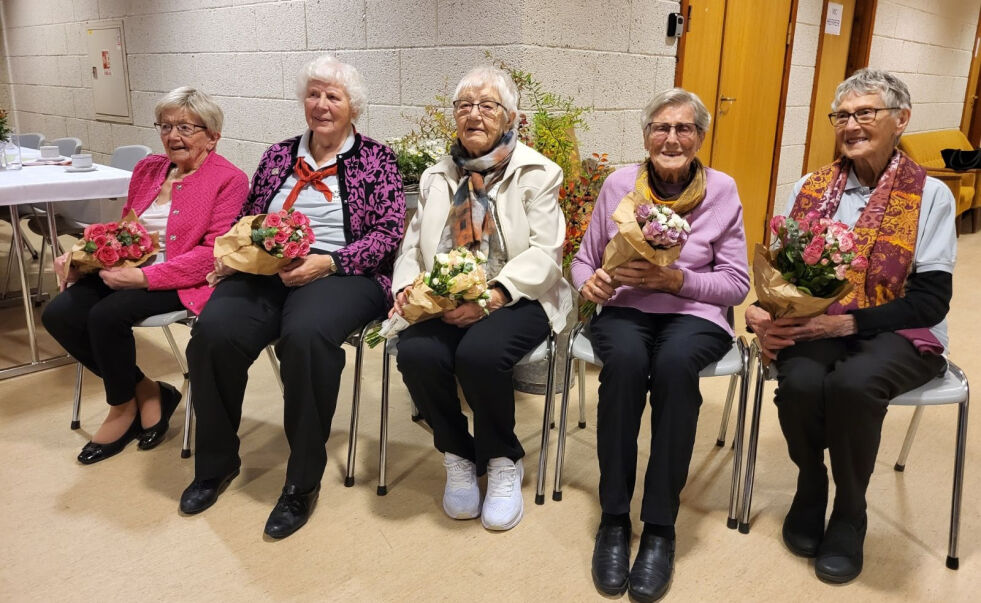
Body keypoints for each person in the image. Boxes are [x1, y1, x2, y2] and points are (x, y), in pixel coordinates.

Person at [745, 68, 956, 584]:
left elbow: (930, 301)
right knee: (800, 381)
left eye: (866, 113)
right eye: (843, 115)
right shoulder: (810, 188)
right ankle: (811, 483)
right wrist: (761, 315)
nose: (851, 125)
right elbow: (781, 275)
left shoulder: (930, 196)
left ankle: (850, 510)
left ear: (900, 120)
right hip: (818, 324)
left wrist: (846, 326)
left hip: (897, 333)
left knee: (854, 383)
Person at [181, 56, 405, 539]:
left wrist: (330, 262)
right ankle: (215, 464)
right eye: (314, 94)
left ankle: (301, 482)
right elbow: (249, 216)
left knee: (304, 338)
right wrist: (249, 250)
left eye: (333, 96)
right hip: (269, 268)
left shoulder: (377, 159)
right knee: (213, 334)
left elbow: (390, 232)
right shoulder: (279, 154)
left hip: (344, 270)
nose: (321, 105)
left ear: (353, 108)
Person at [572, 88, 749, 602]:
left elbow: (737, 283)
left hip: (693, 314)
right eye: (661, 127)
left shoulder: (722, 190)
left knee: (673, 367)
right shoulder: (619, 184)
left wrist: (679, 283)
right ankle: (612, 518)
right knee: (624, 363)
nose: (671, 138)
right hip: (625, 308)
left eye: (684, 128)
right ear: (645, 134)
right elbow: (585, 259)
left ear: (700, 138)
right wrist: (589, 282)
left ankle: (659, 525)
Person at [391, 65, 572, 532]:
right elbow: (412, 246)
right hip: (444, 295)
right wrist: (406, 289)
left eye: (487, 105)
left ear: (510, 117)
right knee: (416, 352)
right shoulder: (437, 175)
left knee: (481, 353)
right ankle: (457, 453)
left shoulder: (537, 173)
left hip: (520, 294)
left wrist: (491, 295)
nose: (474, 114)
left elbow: (546, 251)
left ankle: (502, 458)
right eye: (464, 105)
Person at [42, 87, 249, 464]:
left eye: (186, 127)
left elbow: (214, 253)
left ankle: (121, 409)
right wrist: (82, 253)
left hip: (183, 278)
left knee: (105, 316)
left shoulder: (229, 179)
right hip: (131, 267)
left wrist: (145, 279)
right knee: (58, 315)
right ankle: (149, 390)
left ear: (213, 136)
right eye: (166, 126)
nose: (173, 136)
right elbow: (127, 228)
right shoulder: (149, 168)